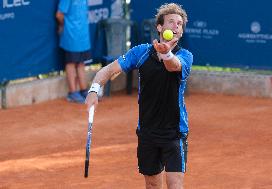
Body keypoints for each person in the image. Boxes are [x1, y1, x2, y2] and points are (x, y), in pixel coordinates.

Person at [86, 3, 193, 189]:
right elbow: (109, 70)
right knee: (152, 185)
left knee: (175, 185)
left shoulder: (185, 56)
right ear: (159, 27)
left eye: (180, 24)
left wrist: (166, 53)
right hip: (147, 132)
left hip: (174, 133)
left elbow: (173, 66)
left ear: (182, 32)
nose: (176, 26)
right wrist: (94, 89)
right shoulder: (141, 52)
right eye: (171, 22)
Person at [56, 0, 92, 103]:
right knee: (71, 63)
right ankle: (72, 93)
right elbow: (59, 15)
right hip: (70, 35)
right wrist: (65, 27)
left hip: (83, 37)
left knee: (81, 63)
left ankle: (84, 90)